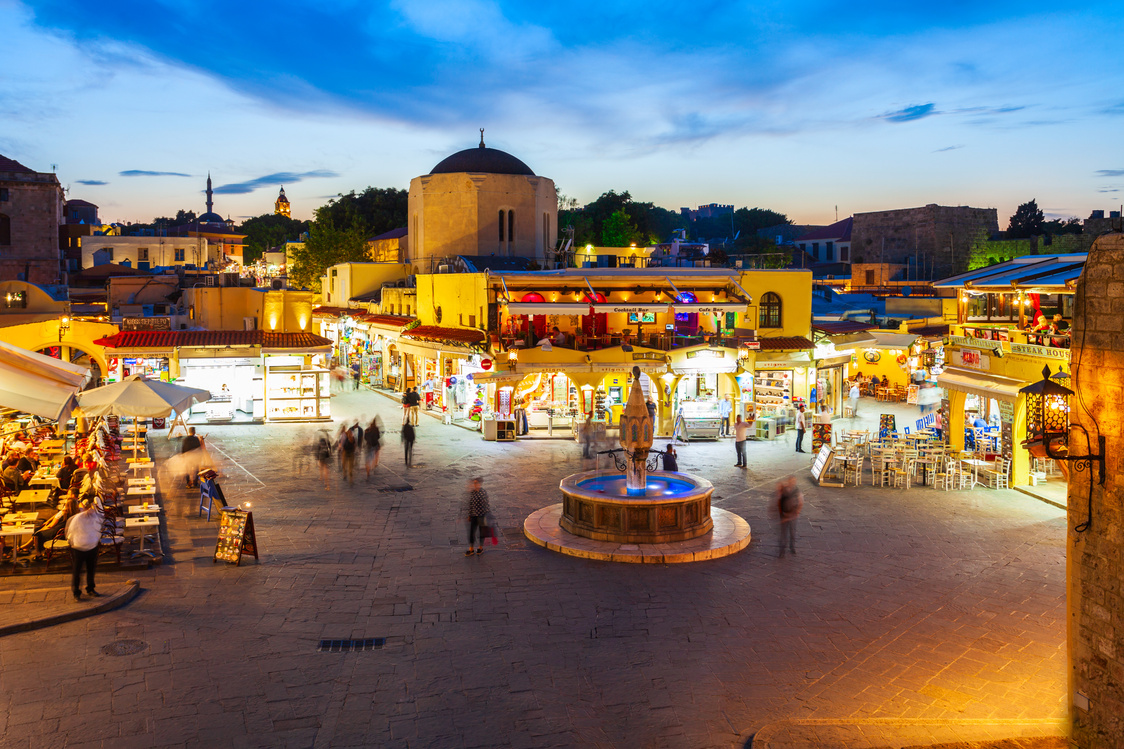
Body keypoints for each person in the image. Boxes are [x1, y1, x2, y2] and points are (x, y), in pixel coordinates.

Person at [66, 498, 103, 600]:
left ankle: (90, 588)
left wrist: (95, 540)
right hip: (79, 548)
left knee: (91, 570)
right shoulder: (78, 519)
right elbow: (70, 532)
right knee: (77, 571)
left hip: (91, 547)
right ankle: (76, 592)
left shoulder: (94, 517)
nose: (92, 510)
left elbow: (98, 528)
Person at [775, 477, 803, 557]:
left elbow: (801, 501)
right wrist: (781, 513)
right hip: (785, 515)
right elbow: (779, 501)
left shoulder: (797, 491)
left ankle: (792, 546)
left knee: (792, 532)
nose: (792, 483)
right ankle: (782, 550)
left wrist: (797, 512)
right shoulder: (783, 490)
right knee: (783, 533)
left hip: (792, 516)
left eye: (793, 481)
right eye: (791, 481)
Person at [463, 477, 490, 556]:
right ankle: (471, 549)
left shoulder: (483, 492)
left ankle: (480, 548)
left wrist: (486, 515)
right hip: (474, 515)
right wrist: (469, 515)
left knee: (481, 532)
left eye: (476, 483)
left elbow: (486, 505)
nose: (474, 485)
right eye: (474, 483)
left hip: (481, 516)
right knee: (472, 532)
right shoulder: (473, 493)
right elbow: (471, 504)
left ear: (479, 484)